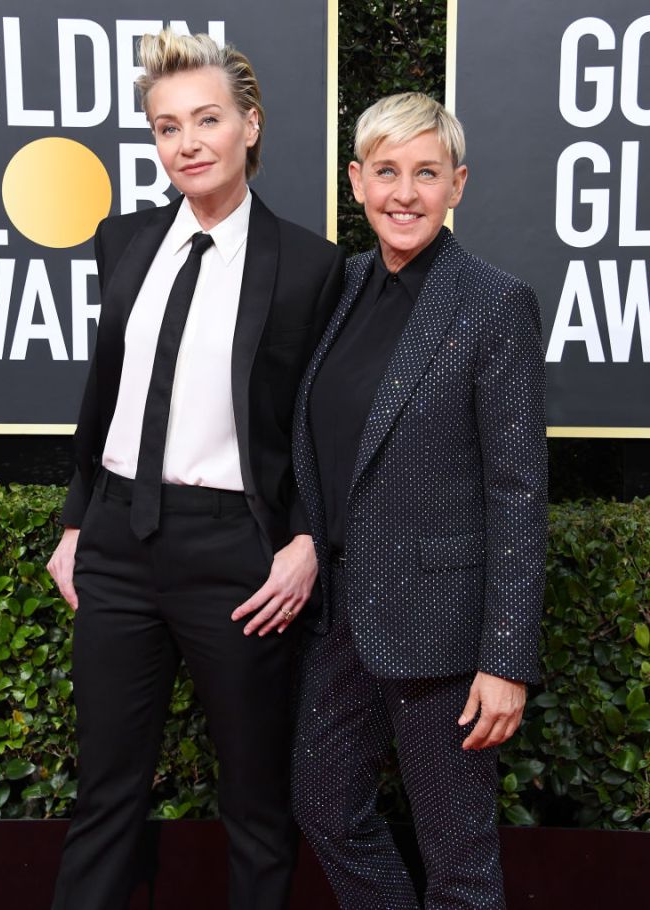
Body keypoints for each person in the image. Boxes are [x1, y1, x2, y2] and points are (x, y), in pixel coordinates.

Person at [47, 28, 344, 910]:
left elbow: (323, 428)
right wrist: (75, 525)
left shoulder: (310, 265)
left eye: (207, 120)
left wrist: (307, 542)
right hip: (115, 541)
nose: (188, 143)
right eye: (168, 126)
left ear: (249, 126)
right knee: (104, 792)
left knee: (254, 802)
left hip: (234, 554)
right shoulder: (124, 240)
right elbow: (105, 394)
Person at [291, 92, 547, 909]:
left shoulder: (492, 302)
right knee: (326, 808)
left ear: (457, 186)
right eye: (388, 172)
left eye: (427, 173)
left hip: (443, 631)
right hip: (338, 616)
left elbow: (519, 490)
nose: (406, 193)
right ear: (358, 182)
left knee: (461, 865)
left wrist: (505, 659)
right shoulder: (338, 287)